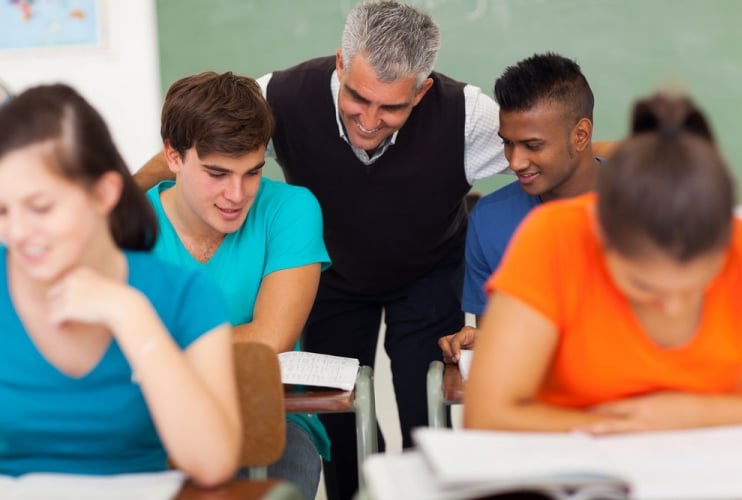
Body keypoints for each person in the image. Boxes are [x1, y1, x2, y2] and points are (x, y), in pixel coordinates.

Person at [133, 4, 614, 498]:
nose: (368, 119)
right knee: (339, 423)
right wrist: (125, 194)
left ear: (421, 90)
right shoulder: (281, 96)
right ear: (341, 64)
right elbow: (203, 140)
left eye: (391, 108)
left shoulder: (468, 115)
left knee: (422, 414)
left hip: (426, 273)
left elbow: (556, 146)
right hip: (334, 276)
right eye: (357, 98)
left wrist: (646, 166)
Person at [464, 92, 742, 434]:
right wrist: (626, 426)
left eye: (697, 287)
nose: (673, 307)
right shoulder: (554, 239)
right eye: (644, 286)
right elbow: (488, 413)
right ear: (601, 236)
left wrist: (694, 413)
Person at [0, 84, 240, 485]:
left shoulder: (184, 295)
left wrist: (130, 316)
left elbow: (212, 463)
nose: (19, 233)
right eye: (3, 210)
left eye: (40, 207)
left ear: (104, 193)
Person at [145, 71, 331, 500]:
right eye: (217, 173)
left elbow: (270, 339)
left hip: (272, 416)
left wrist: (157, 351)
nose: (236, 194)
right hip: (155, 417)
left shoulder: (291, 208)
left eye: (252, 173)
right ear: (173, 156)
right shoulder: (128, 227)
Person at [439, 52, 603, 363]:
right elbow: (499, 340)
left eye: (533, 145)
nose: (515, 162)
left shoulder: (649, 212)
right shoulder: (488, 220)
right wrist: (484, 342)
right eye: (507, 143)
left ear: (580, 135)